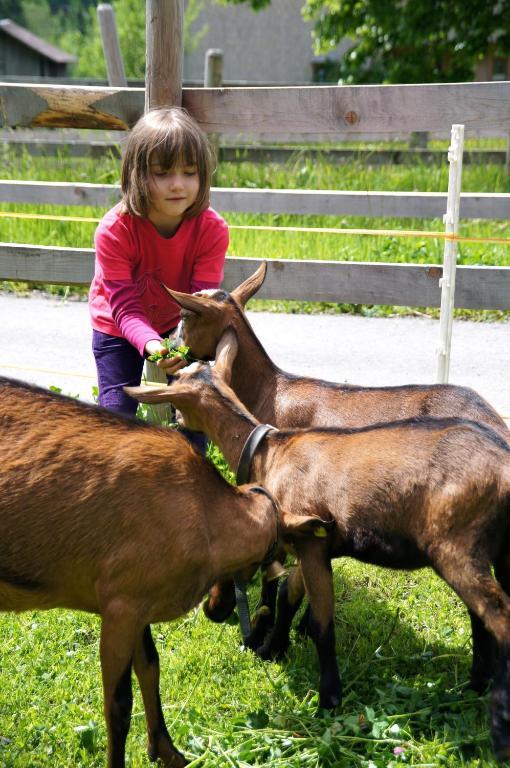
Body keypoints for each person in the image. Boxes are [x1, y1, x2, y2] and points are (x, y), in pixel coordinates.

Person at [89, 107, 228, 431]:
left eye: (190, 172)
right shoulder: (114, 230)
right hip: (115, 324)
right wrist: (153, 347)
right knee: (115, 415)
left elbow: (199, 306)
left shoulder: (211, 230)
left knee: (194, 415)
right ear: (137, 175)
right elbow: (124, 307)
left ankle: (192, 474)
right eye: (163, 173)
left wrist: (179, 346)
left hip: (180, 326)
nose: (178, 184)